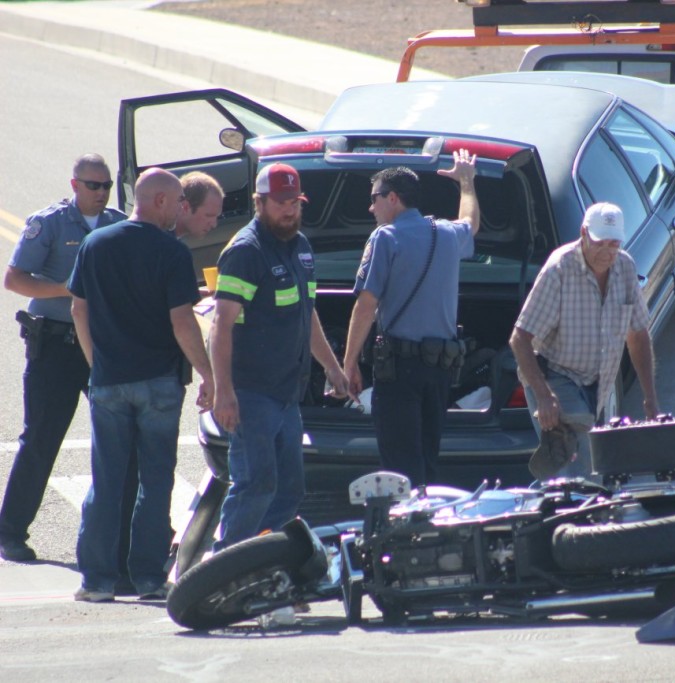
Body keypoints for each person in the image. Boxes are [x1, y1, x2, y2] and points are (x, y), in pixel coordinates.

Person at [68, 168, 213, 602]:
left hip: (110, 381)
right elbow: (182, 320)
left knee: (106, 480)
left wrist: (99, 365)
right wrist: (208, 374)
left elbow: (79, 310)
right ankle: (148, 577)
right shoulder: (170, 252)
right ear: (161, 201)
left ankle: (96, 580)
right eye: (177, 203)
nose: (179, 212)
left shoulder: (96, 243)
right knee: (155, 480)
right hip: (159, 384)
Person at [0, 154, 135, 565]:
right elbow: (16, 279)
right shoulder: (52, 223)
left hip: (102, 345)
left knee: (121, 439)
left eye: (106, 185)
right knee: (41, 439)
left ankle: (125, 538)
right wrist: (69, 289)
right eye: (93, 186)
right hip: (56, 346)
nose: (100, 193)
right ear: (74, 185)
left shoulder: (118, 223)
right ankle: (10, 532)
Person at [210, 162, 347, 550]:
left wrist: (332, 368)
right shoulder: (244, 252)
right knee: (256, 485)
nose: (289, 210)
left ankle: (270, 568)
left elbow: (308, 312)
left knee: (289, 490)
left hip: (287, 395)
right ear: (260, 202)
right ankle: (228, 569)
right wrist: (224, 392)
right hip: (251, 393)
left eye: (295, 202)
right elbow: (220, 325)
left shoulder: (301, 246)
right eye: (281, 203)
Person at [342, 151, 480, 486]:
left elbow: (366, 305)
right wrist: (467, 182)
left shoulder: (385, 238)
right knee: (426, 460)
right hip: (440, 370)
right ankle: (427, 529)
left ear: (393, 198)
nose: (371, 208)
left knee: (400, 470)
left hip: (399, 372)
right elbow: (471, 223)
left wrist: (348, 365)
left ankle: (405, 534)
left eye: (374, 199)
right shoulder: (447, 234)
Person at [509, 202, 660, 480]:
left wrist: (650, 398)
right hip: (555, 375)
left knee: (584, 467)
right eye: (600, 243)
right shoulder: (559, 269)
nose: (607, 252)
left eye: (614, 244)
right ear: (583, 234)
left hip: (597, 385)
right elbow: (519, 339)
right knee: (581, 472)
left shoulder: (625, 267)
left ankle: (550, 504)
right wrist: (544, 396)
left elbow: (638, 335)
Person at [174, 171, 224, 241]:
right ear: (185, 207)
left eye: (217, 216)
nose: (214, 224)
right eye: (209, 215)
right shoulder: (165, 247)